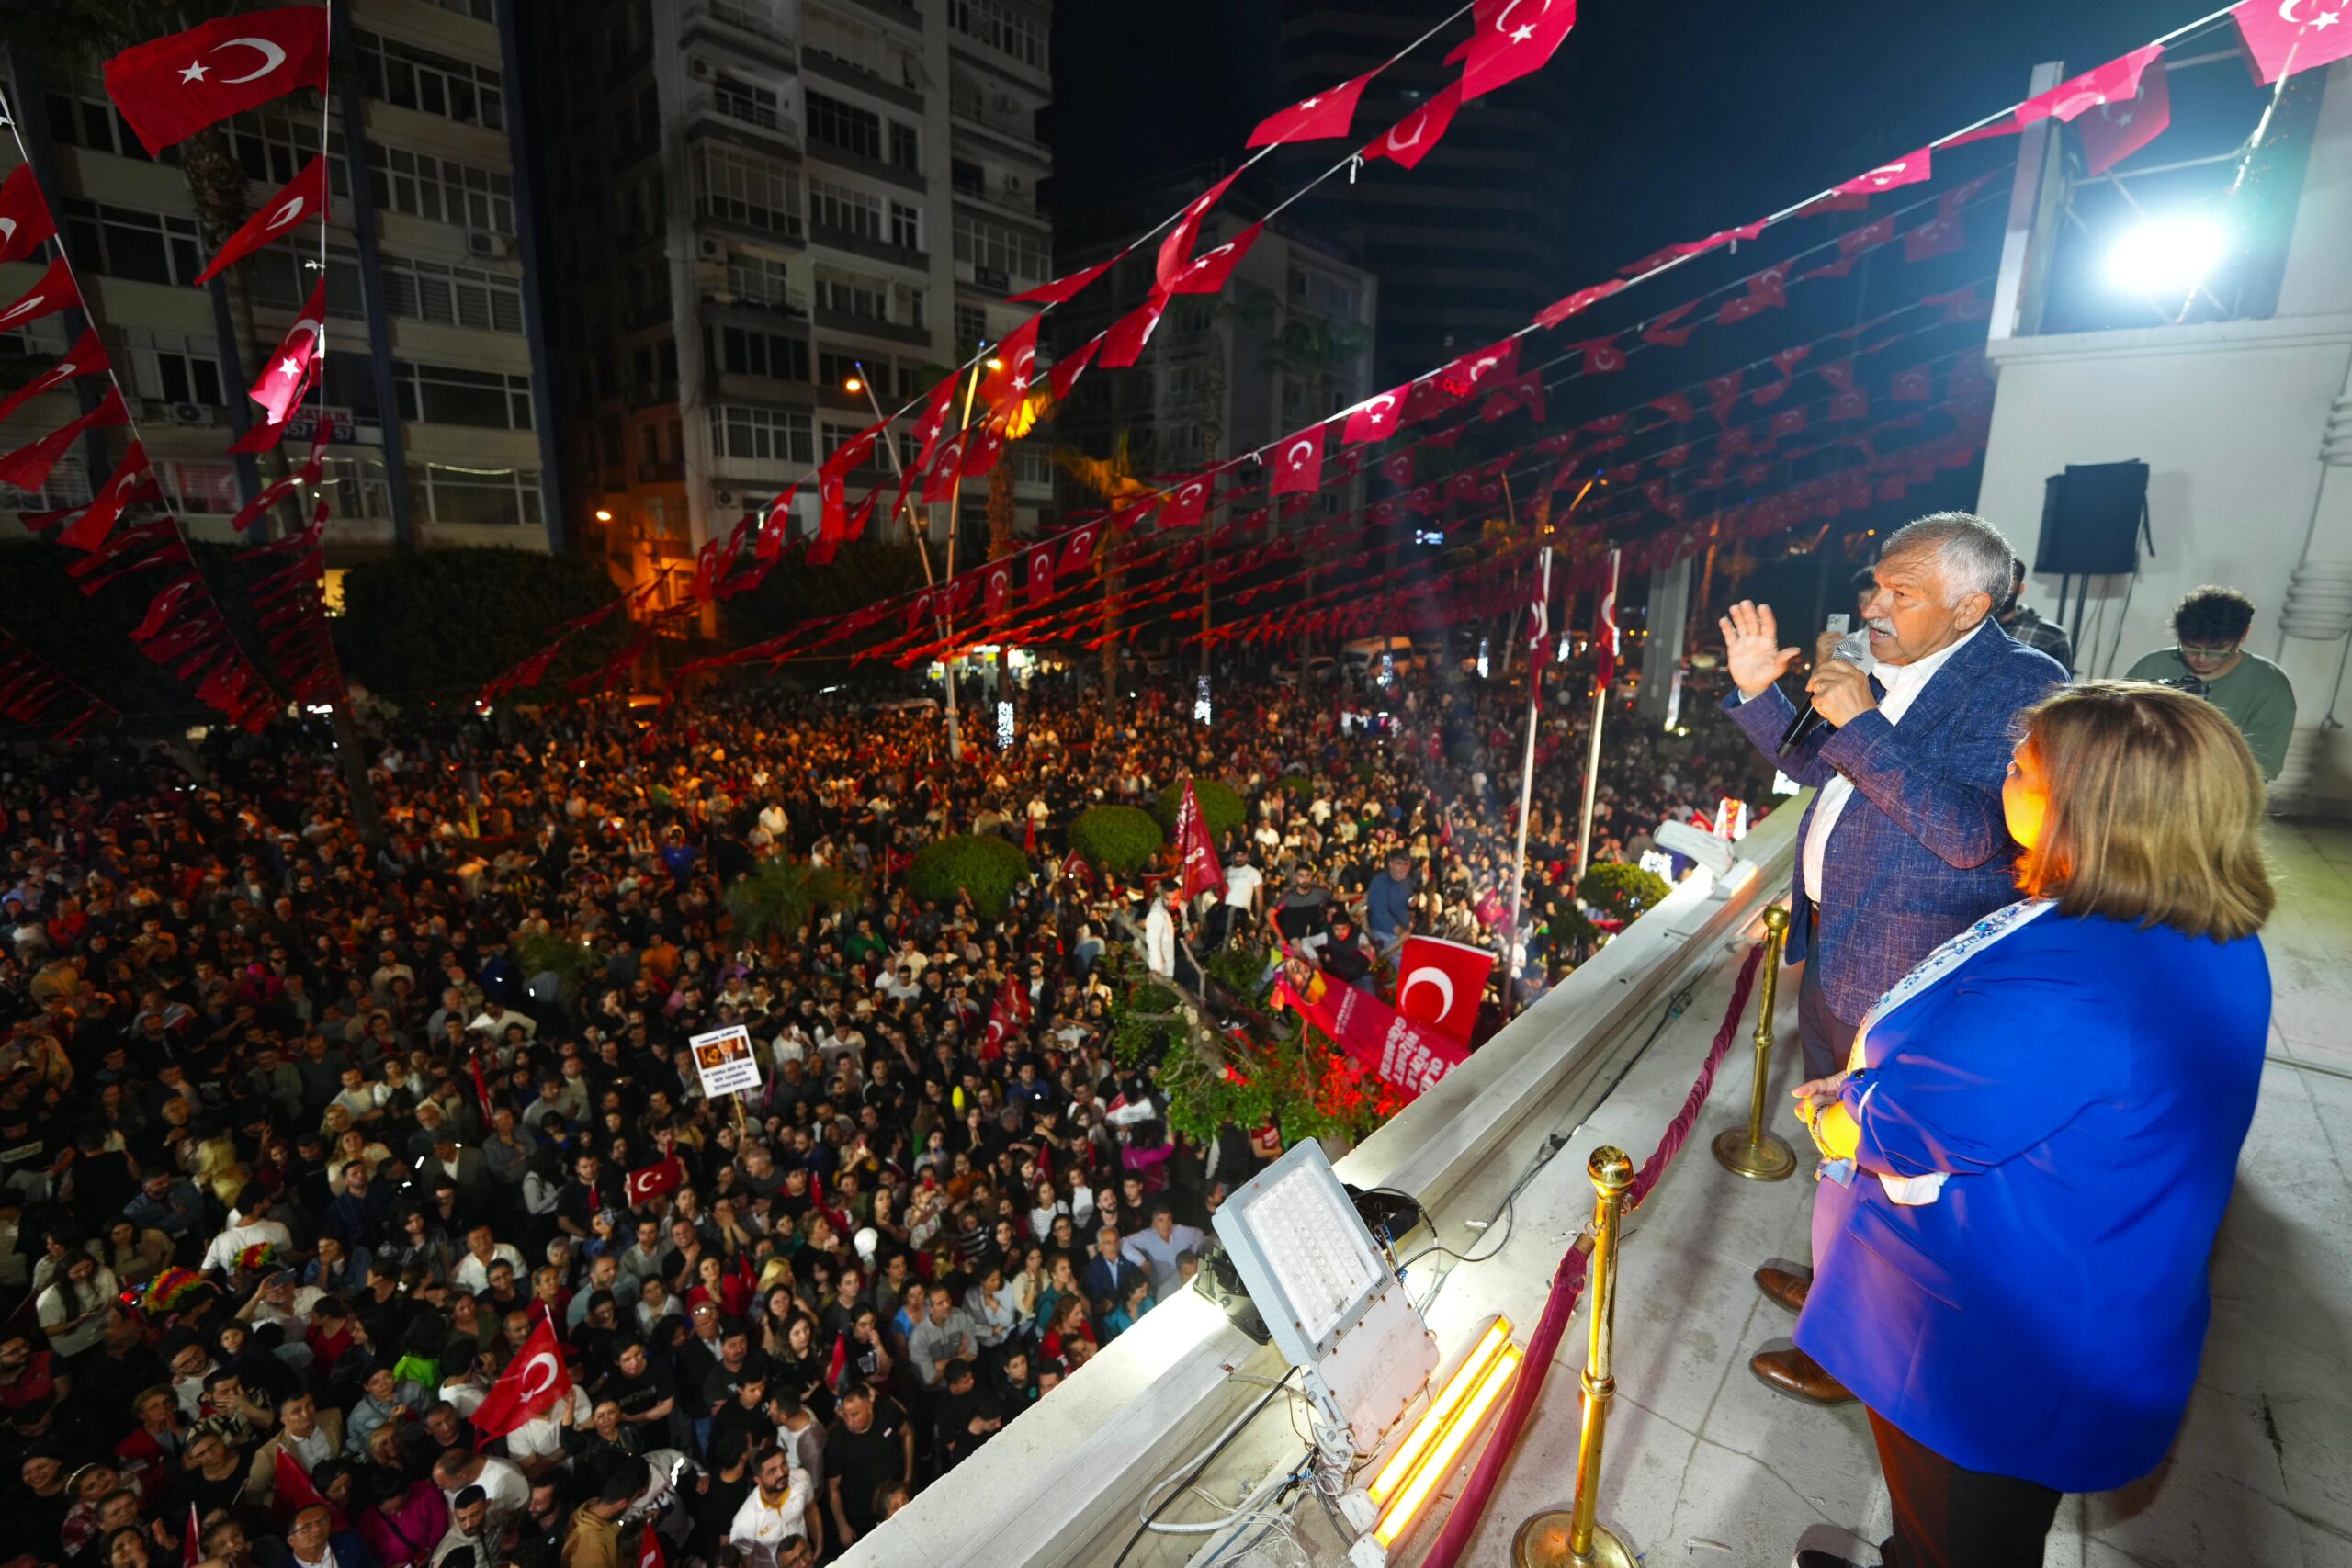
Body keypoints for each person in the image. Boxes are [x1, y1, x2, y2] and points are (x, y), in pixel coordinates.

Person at [1786, 682, 2274, 1568]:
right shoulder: (2195, 926)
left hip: (1993, 1342)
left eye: (2022, 766)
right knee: (1946, 1528)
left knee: (1965, 1535)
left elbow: (1908, 1126)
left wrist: (1840, 1111)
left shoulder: (2080, 979)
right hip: (2082, 1283)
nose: (2003, 774)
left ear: (2094, 806)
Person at [1719, 513, 2064, 1403]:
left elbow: (1970, 834)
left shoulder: (2020, 688)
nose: (1872, 603)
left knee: (1891, 1165)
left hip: (1915, 973)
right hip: (1840, 945)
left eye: (1899, 593)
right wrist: (1763, 695)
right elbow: (1824, 766)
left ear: (1970, 605)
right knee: (1839, 1141)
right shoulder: (1889, 666)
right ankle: (1830, 1276)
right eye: (1875, 583)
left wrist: (1865, 721)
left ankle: (1848, 1347)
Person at [2125, 584, 2295, 781]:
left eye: (2216, 650)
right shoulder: (2151, 667)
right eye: (2191, 647)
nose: (2202, 659)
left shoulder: (2270, 687)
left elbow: (2262, 767)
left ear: (2244, 635)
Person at [1996, 558, 2073, 673]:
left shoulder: (2050, 635)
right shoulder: (1967, 627)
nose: (1999, 586)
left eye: (2009, 579)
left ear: (2021, 589)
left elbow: (2059, 688)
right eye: (1994, 578)